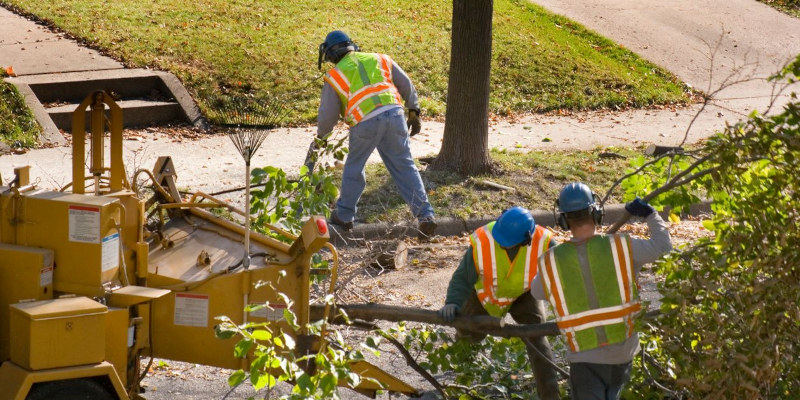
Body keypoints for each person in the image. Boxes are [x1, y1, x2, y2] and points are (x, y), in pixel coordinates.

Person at [531, 182, 672, 400]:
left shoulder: (552, 260)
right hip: (623, 351)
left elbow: (537, 292)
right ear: (597, 213)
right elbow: (663, 247)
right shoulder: (621, 247)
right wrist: (650, 214)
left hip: (584, 355)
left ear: (563, 221)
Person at [316, 30, 436, 238]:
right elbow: (406, 83)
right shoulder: (380, 58)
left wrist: (322, 137)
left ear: (331, 54)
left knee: (354, 167)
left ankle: (344, 216)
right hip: (395, 115)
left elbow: (328, 115)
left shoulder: (334, 76)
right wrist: (413, 109)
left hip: (365, 122)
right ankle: (425, 216)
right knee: (405, 166)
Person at [438, 206, 561, 400]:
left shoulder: (545, 243)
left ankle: (550, 395)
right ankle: (460, 386)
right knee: (468, 339)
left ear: (526, 239)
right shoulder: (484, 240)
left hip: (524, 294)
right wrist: (452, 302)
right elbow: (462, 277)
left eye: (508, 244)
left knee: (537, 337)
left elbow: (563, 277)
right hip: (483, 295)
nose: (502, 245)